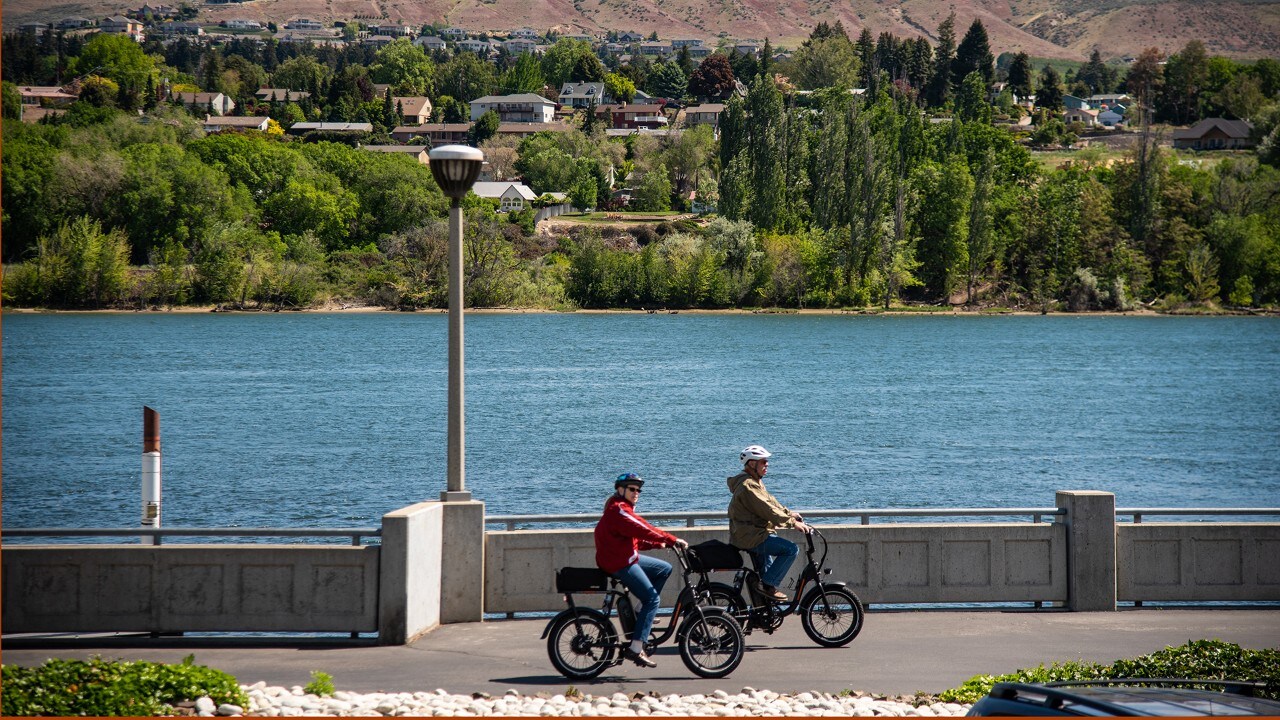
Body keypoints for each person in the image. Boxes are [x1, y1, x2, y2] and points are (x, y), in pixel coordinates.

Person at [594, 472, 688, 669]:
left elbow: (633, 540)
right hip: (619, 563)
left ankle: (640, 611)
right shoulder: (619, 510)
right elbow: (644, 528)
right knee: (653, 599)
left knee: (664, 569)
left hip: (622, 556)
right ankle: (636, 648)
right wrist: (671, 539)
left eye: (638, 490)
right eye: (632, 489)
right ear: (621, 490)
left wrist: (657, 545)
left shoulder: (621, 509)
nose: (636, 492)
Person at [727, 445, 810, 601]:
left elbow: (771, 503)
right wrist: (792, 522)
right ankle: (768, 584)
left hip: (754, 534)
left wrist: (789, 513)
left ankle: (763, 612)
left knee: (765, 579)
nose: (767, 465)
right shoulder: (748, 486)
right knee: (791, 550)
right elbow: (767, 509)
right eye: (763, 462)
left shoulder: (754, 481)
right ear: (752, 464)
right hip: (752, 537)